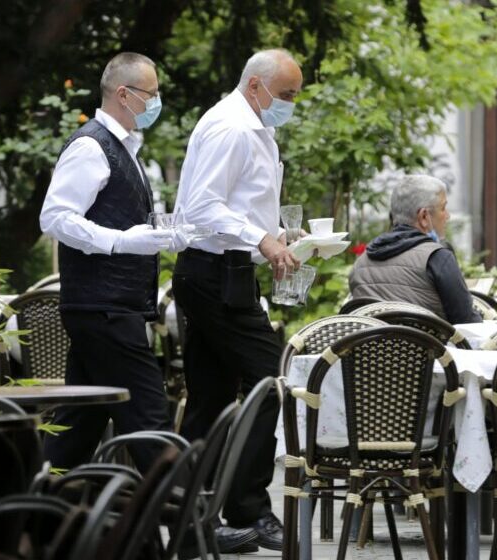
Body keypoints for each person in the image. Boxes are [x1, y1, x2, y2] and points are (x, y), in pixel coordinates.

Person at [171, 48, 303, 552]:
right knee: (269, 382)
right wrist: (262, 239)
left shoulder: (251, 125)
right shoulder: (232, 127)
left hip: (219, 272)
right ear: (255, 86)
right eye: (286, 95)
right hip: (213, 273)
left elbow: (239, 203)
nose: (290, 104)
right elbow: (203, 205)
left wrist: (274, 235)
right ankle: (247, 507)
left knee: (209, 396)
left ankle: (192, 514)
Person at [39, 52, 184, 473]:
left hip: (104, 307)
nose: (156, 103)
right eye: (151, 95)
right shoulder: (91, 146)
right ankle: (187, 531)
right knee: (151, 422)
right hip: (103, 309)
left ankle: (32, 519)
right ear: (124, 94)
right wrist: (121, 242)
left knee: (78, 426)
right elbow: (55, 217)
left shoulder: (124, 148)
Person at [349, 175, 482, 324]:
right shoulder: (437, 258)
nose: (448, 216)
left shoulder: (360, 264)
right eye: (443, 208)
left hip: (371, 347)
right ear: (424, 216)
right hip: (431, 347)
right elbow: (467, 322)